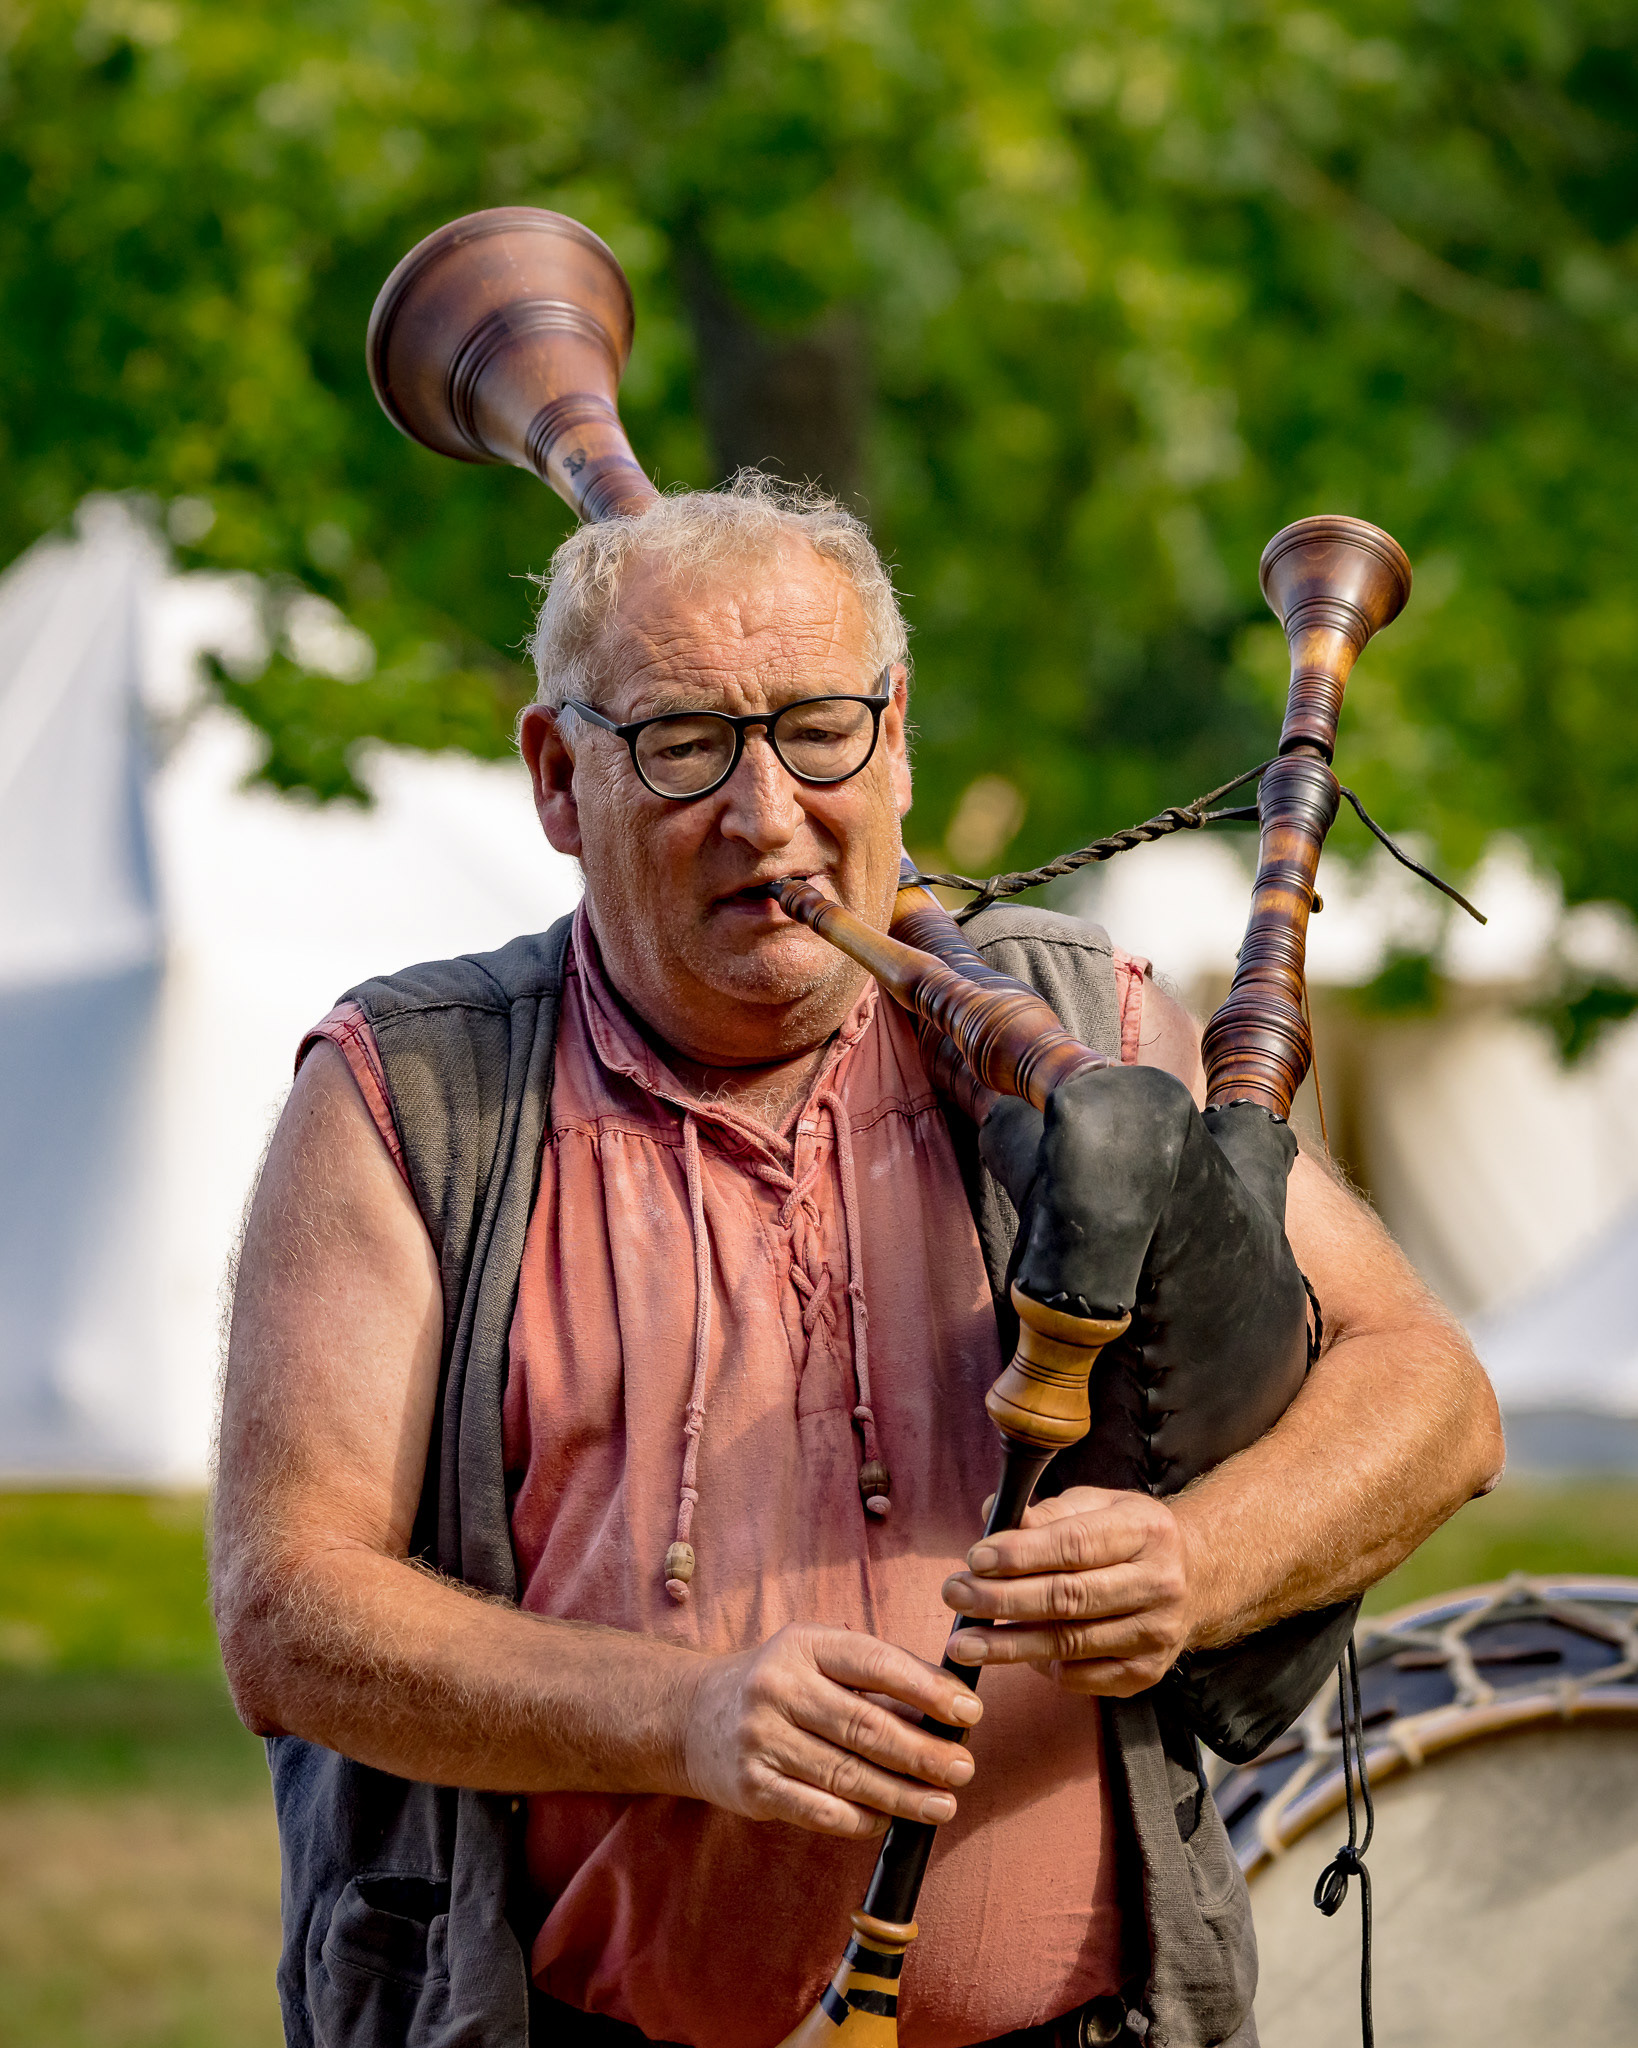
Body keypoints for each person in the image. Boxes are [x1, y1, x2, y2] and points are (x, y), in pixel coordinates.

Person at [213, 476, 1503, 2048]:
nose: (764, 813)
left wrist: (1199, 1565)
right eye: (681, 746)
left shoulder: (1084, 1034)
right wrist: (676, 1716)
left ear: (894, 739)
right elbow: (289, 1614)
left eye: (818, 730)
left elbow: (1428, 1393)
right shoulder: (413, 1096)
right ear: (558, 780)